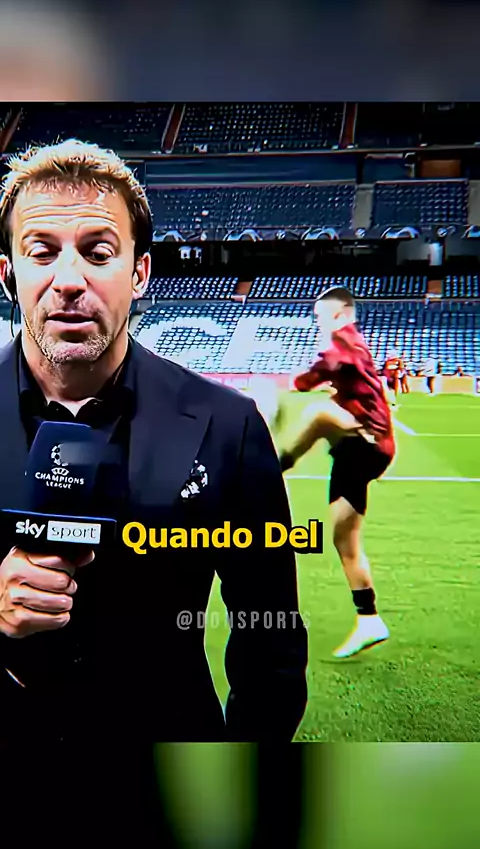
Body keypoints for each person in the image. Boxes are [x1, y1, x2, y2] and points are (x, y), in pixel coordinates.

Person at [0, 139, 308, 744]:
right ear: (8, 275)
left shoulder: (227, 426)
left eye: (98, 252)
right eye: (42, 252)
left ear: (139, 272)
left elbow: (269, 635)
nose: (69, 280)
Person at [279, 287, 395, 658]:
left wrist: (299, 383)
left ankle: (273, 467)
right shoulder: (353, 345)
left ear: (341, 314)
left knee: (318, 413)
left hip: (367, 440)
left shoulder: (345, 342)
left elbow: (333, 363)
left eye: (322, 318)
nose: (319, 324)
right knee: (344, 538)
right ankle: (369, 618)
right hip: (356, 451)